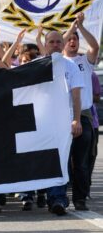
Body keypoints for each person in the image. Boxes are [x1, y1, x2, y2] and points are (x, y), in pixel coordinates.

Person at [41, 30, 83, 216]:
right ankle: (43, 195)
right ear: (45, 44)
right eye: (52, 42)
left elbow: (76, 96)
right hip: (40, 123)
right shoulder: (36, 66)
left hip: (63, 123)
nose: (56, 45)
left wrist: (77, 119)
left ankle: (58, 199)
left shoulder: (71, 66)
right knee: (44, 160)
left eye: (59, 41)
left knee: (61, 161)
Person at [62, 12, 99, 211]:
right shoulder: (59, 61)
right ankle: (60, 197)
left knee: (82, 163)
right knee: (64, 161)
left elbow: (95, 47)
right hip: (61, 117)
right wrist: (72, 28)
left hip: (83, 118)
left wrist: (81, 27)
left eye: (75, 39)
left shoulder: (85, 61)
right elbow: (57, 44)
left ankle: (80, 198)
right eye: (70, 39)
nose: (73, 41)